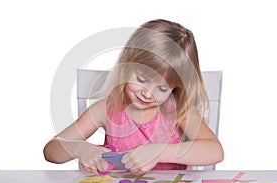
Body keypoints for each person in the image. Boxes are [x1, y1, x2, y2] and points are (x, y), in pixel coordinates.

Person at [43, 19, 224, 174]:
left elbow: (215, 151)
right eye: (141, 79)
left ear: (175, 88)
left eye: (162, 88)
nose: (147, 93)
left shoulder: (177, 111)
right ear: (126, 66)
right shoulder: (106, 110)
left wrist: (160, 152)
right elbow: (51, 150)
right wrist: (77, 148)